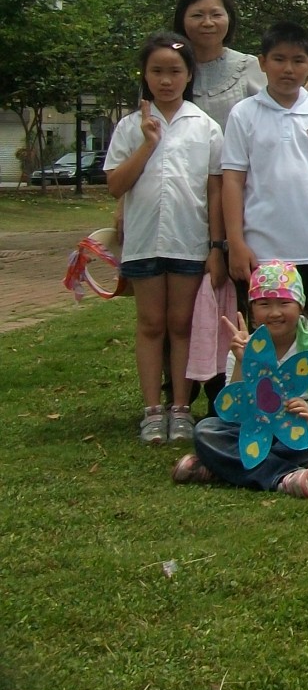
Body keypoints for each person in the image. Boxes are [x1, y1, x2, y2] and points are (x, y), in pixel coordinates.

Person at [105, 32, 225, 444]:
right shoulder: (129, 127)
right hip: (143, 242)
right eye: (157, 71)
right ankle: (152, 411)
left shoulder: (205, 127)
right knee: (151, 324)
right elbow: (116, 185)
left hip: (189, 242)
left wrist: (216, 246)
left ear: (189, 74)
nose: (166, 80)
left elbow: (214, 191)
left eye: (175, 71)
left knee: (181, 324)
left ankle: (181, 408)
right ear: (145, 75)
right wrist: (148, 143)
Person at [220, 22, 308, 340]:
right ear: (262, 62)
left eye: (297, 60)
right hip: (262, 251)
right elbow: (233, 181)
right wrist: (236, 243)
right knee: (265, 339)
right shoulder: (244, 113)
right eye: (279, 59)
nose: (288, 69)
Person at [172, 261, 308, 498]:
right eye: (264, 304)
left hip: (303, 430)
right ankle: (284, 477)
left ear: (300, 305)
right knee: (205, 431)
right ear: (252, 311)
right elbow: (234, 409)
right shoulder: (245, 346)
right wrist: (242, 361)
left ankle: (222, 467)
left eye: (284, 303)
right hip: (252, 430)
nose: (274, 313)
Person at [172, 0, 265, 127]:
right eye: (197, 15)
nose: (208, 23)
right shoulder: (166, 68)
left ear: (229, 18)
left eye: (216, 15)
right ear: (181, 20)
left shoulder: (249, 67)